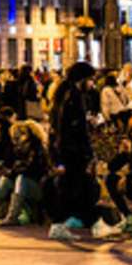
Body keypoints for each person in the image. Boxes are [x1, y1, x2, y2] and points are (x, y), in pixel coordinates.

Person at [46, 62, 101, 241]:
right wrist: (87, 151)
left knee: (76, 187)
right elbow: (75, 129)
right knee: (73, 187)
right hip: (73, 150)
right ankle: (90, 224)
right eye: (91, 79)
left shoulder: (63, 95)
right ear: (82, 79)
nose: (92, 84)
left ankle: (93, 223)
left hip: (67, 149)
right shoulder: (74, 96)